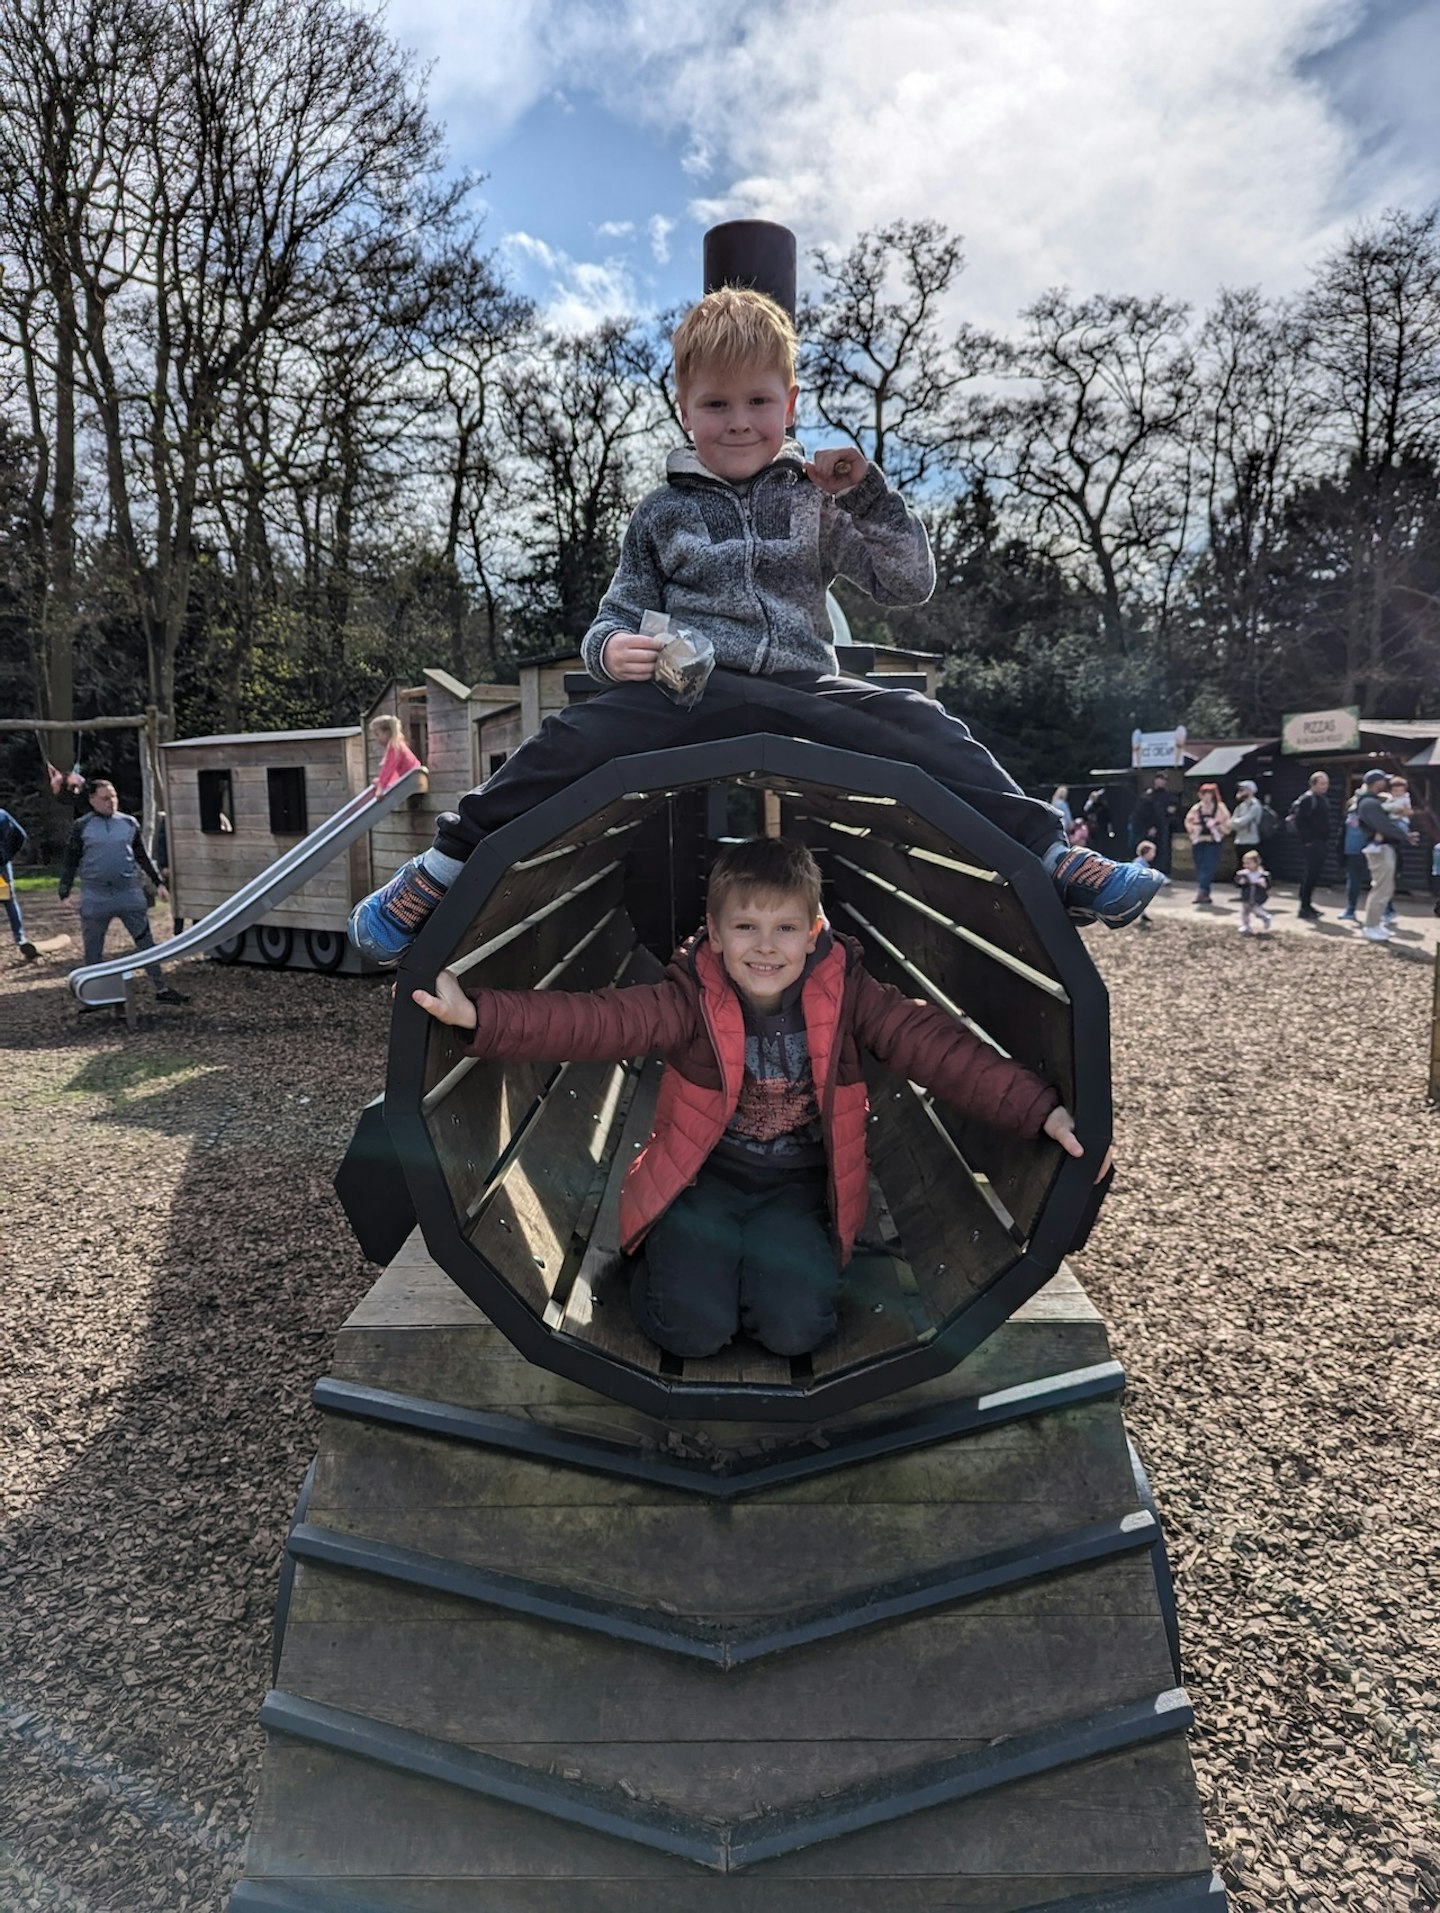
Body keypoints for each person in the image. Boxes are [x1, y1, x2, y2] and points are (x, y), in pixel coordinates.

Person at [349, 288, 1163, 963]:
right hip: (692, 693)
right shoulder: (662, 513)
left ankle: (1056, 857)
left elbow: (908, 582)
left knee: (924, 725)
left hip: (803, 685)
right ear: (684, 410)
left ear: (791, 403)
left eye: (759, 402)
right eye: (716, 403)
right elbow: (617, 613)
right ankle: (444, 865)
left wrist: (868, 495)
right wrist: (612, 650)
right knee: (568, 739)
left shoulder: (816, 497)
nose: (739, 421)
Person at [412, 837, 1109, 1360]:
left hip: (796, 1190)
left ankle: (745, 1272)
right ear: (714, 936)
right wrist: (479, 1016)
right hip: (701, 1180)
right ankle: (666, 1264)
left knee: (796, 1330)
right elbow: (598, 1020)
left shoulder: (849, 992)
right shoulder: (692, 997)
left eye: (784, 929)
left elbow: (937, 1047)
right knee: (693, 1331)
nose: (765, 946)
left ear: (814, 935)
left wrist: (1038, 1108)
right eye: (745, 927)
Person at [58, 781, 188, 1003]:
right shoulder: (82, 826)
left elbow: (142, 856)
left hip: (128, 892)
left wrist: (158, 883)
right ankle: (93, 996)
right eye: (105, 798)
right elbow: (71, 860)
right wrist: (64, 891)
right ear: (92, 800)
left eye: (114, 796)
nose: (112, 802)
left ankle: (161, 989)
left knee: (146, 943)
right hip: (96, 895)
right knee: (93, 948)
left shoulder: (129, 823)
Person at [1355, 766, 1417, 944]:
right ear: (1377, 783)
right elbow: (1383, 826)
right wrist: (1405, 836)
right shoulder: (1369, 803)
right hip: (1380, 849)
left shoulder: (1374, 801)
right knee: (1381, 888)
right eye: (1383, 780)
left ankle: (1376, 923)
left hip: (1384, 848)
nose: (1386, 783)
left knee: (1386, 888)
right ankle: (1370, 926)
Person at [1288, 771, 1331, 921]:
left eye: (1326, 783)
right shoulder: (1307, 800)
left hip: (1321, 842)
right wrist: (1308, 840)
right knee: (1310, 874)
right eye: (1322, 783)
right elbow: (1300, 822)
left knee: (1315, 875)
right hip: (1312, 843)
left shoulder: (1323, 800)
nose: (1325, 786)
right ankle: (1304, 906)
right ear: (1313, 784)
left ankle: (1308, 904)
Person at [0, 808, 39, 961]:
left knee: (8, 899)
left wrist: (7, 854)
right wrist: (7, 854)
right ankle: (20, 937)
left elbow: (20, 834)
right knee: (8, 900)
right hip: (1, 864)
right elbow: (20, 834)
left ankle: (20, 937)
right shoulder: (2, 814)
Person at [1184, 783, 1230, 904]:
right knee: (1200, 866)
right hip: (1198, 840)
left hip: (1213, 841)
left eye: (1209, 794)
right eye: (1204, 794)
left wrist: (1217, 826)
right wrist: (1193, 830)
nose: (1207, 797)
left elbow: (1227, 825)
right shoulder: (1196, 808)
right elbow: (1188, 822)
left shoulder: (1220, 808)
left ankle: (1201, 891)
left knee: (1208, 866)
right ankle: (1205, 893)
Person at [1130, 774, 1178, 876]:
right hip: (1148, 828)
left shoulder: (1169, 796)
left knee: (1162, 851)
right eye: (1159, 779)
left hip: (1163, 828)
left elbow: (1172, 811)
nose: (1161, 782)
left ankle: (1161, 872)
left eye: (1163, 780)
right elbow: (1141, 813)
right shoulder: (1148, 795)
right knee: (1147, 849)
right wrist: (1150, 826)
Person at [370, 713, 424, 795]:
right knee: (378, 781)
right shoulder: (397, 744)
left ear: (387, 732)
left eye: (377, 734)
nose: (376, 739)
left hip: (413, 780)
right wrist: (381, 782)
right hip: (410, 778)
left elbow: (388, 768)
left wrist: (381, 787)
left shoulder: (395, 747)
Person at [1234, 850, 1273, 934]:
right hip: (1246, 896)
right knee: (1244, 912)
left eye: (1249, 863)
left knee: (1257, 911)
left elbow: (1268, 886)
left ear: (1256, 863)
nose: (1246, 865)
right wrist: (1240, 882)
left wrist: (1264, 884)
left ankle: (1266, 917)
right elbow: (1236, 884)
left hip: (1257, 897)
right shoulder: (1243, 874)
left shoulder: (1263, 874)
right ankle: (1246, 926)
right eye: (1244, 863)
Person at [1128, 839, 1165, 929]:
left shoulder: (1142, 862)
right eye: (1153, 852)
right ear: (1147, 852)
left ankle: (1142, 915)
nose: (1154, 855)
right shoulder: (1139, 863)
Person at [1229, 780, 1264, 861]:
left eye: (1243, 789)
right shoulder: (1240, 806)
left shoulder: (1255, 805)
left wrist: (1235, 822)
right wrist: (1234, 823)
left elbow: (1244, 821)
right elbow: (1231, 823)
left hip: (1251, 841)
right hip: (1239, 840)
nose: (1240, 792)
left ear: (1251, 791)